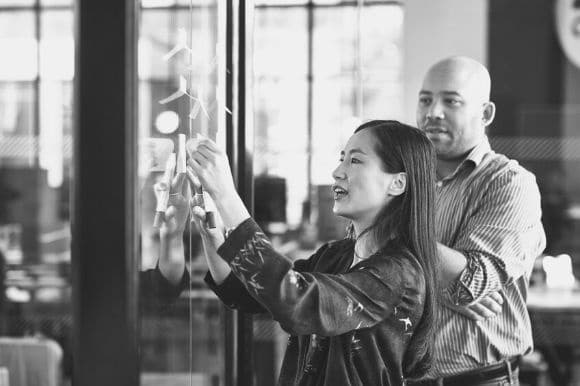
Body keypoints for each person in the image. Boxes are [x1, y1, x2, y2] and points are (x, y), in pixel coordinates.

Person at [186, 120, 440, 385]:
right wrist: (212, 236)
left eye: (355, 161)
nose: (337, 172)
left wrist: (226, 194)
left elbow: (295, 301)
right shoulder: (335, 255)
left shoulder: (398, 275)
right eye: (342, 159)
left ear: (397, 183)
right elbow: (251, 294)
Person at [410, 56, 546, 385]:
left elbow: (470, 283)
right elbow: (363, 268)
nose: (433, 112)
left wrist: (393, 234)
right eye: (426, 99)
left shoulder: (509, 183)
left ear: (485, 114)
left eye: (451, 101)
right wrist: (439, 285)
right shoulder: (401, 180)